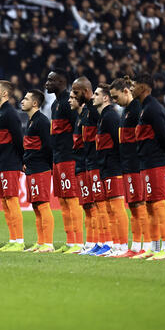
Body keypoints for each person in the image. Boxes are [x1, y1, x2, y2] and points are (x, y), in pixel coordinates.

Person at [133, 73, 165, 260]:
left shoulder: (153, 108)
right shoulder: (144, 108)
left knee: (158, 204)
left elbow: (164, 136)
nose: (132, 88)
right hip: (145, 162)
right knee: (149, 206)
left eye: (135, 85)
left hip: (155, 162)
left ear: (143, 88)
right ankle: (154, 246)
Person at [110, 76, 151, 258]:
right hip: (126, 165)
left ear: (126, 91)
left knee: (140, 204)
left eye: (116, 97)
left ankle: (147, 245)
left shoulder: (137, 110)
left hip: (135, 165)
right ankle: (135, 247)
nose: (115, 101)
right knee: (133, 205)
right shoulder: (127, 111)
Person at [46, 69, 83, 253]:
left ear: (61, 82)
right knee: (62, 200)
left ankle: (78, 242)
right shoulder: (55, 106)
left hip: (69, 158)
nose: (46, 83)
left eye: (50, 80)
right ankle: (70, 241)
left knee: (72, 200)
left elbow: (78, 129)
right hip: (58, 159)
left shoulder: (70, 104)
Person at [71, 76, 108, 256]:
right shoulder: (85, 113)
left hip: (95, 165)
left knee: (99, 206)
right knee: (90, 207)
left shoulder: (94, 112)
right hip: (87, 165)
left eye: (75, 92)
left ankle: (106, 242)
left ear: (86, 92)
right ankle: (96, 243)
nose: (73, 95)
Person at [92, 84, 130, 257]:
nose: (93, 96)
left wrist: (119, 164)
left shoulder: (111, 117)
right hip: (105, 167)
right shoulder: (102, 117)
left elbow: (119, 142)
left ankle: (122, 246)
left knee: (116, 208)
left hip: (114, 168)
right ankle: (115, 245)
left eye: (96, 94)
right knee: (109, 208)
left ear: (105, 98)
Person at [0, 80, 25, 252]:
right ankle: (13, 239)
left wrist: (22, 160)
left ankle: (18, 240)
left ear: (5, 93)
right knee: (5, 203)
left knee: (11, 201)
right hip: (1, 164)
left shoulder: (10, 114)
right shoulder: (0, 113)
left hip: (10, 164)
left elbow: (19, 139)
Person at [21, 90, 55, 253]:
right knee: (36, 205)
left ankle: (48, 243)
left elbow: (48, 146)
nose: (22, 101)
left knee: (43, 204)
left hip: (41, 168)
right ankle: (41, 242)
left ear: (35, 103)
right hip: (32, 168)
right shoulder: (31, 121)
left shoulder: (41, 121)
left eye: (26, 99)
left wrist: (48, 166)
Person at [68, 90, 94, 255]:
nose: (69, 100)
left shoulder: (87, 116)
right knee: (87, 206)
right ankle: (91, 243)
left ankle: (99, 242)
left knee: (93, 206)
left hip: (87, 166)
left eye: (72, 98)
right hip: (80, 166)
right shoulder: (79, 118)